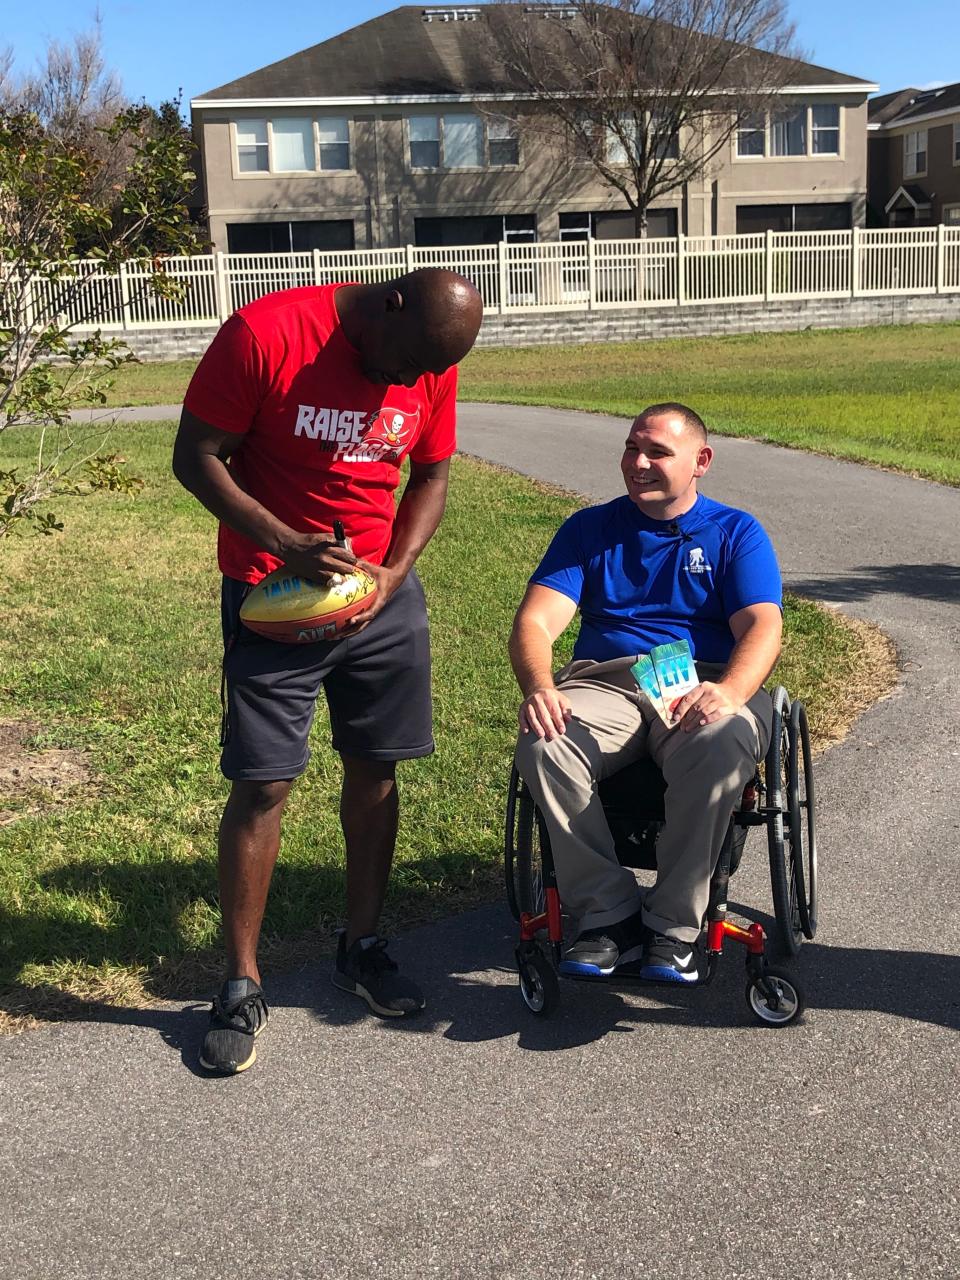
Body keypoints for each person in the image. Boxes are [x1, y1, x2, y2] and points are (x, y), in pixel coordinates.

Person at [172, 268, 483, 1074]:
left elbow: (433, 476)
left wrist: (393, 572)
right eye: (405, 363)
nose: (413, 383)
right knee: (265, 781)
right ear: (389, 306)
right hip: (278, 596)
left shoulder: (429, 358)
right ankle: (240, 982)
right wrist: (284, 541)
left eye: (428, 372)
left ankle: (363, 944)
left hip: (380, 599)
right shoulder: (267, 334)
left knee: (376, 771)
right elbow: (195, 455)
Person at [510, 403, 782, 982]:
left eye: (657, 452)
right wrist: (539, 686)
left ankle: (674, 926)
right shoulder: (589, 530)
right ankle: (608, 914)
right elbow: (535, 622)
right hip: (606, 681)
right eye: (632, 448)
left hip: (702, 681)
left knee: (720, 740)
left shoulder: (735, 532)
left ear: (700, 461)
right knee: (545, 743)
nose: (638, 462)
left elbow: (762, 625)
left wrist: (731, 691)